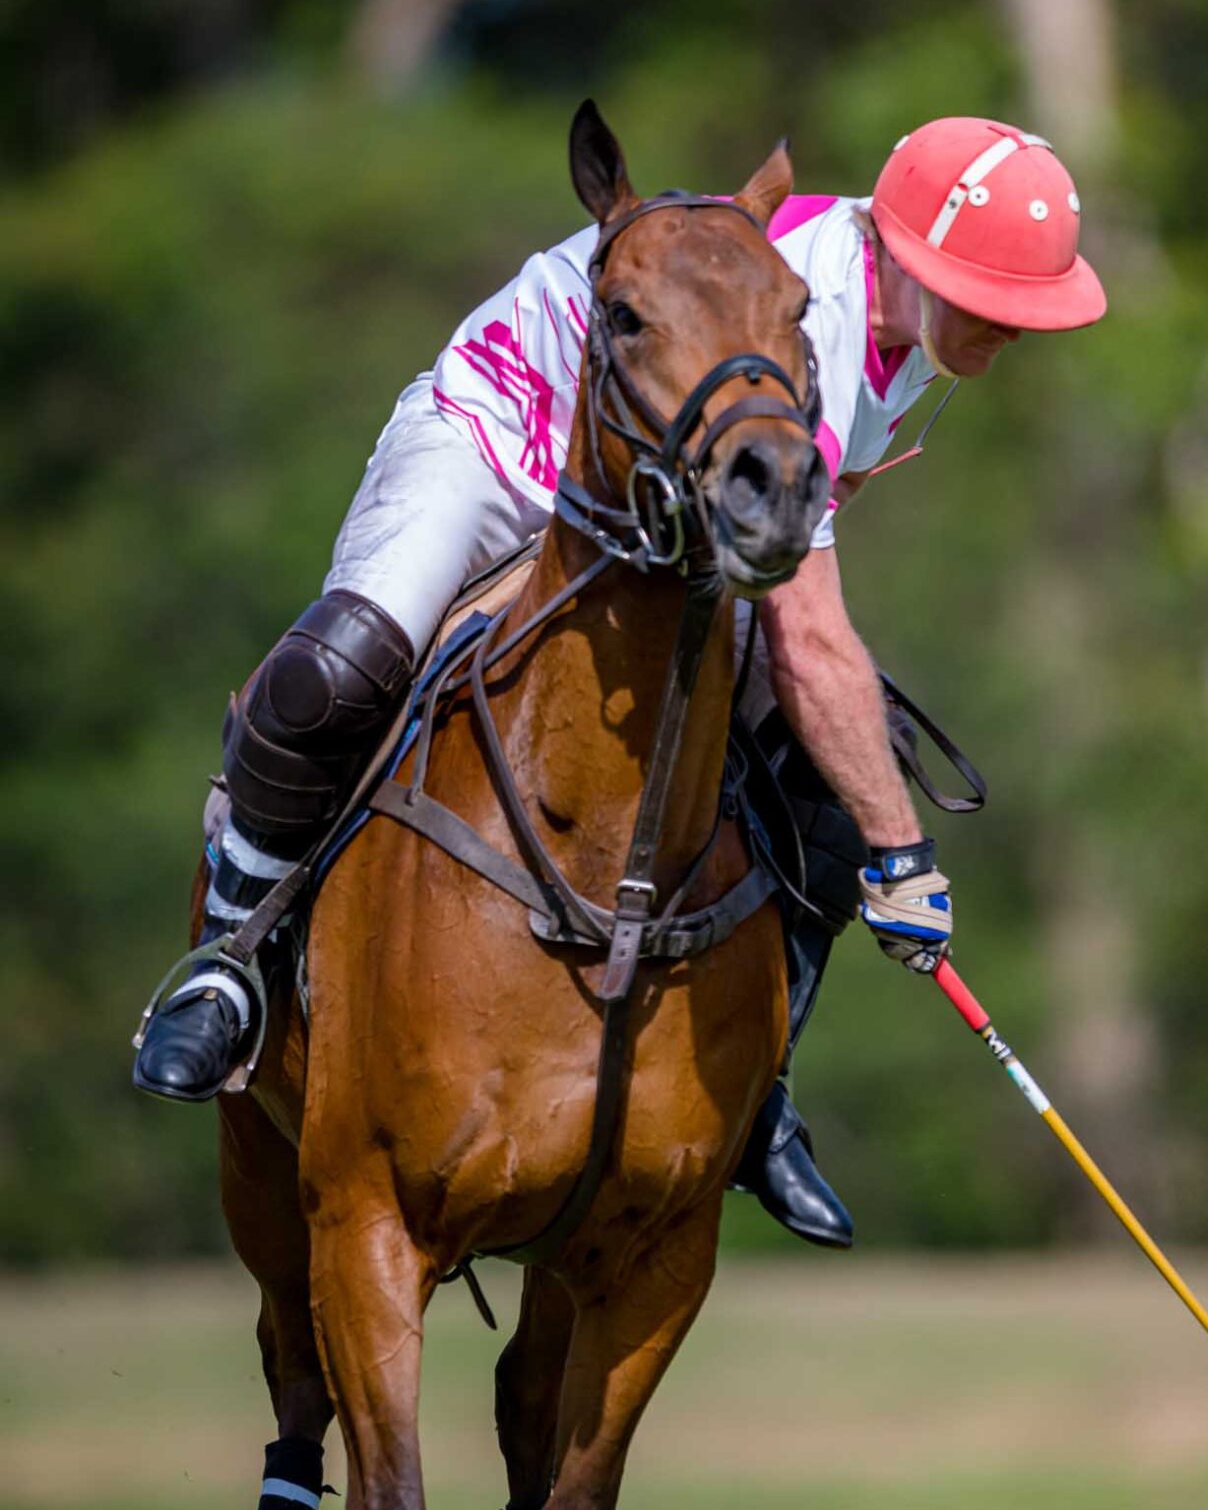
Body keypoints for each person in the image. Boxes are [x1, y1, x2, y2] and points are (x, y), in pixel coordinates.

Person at [132, 116, 1107, 1245]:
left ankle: (757, 1087)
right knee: (342, 664)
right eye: (988, 297)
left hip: (649, 499)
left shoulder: (901, 334)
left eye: (1023, 306)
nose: (1010, 325)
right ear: (904, 258)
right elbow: (805, 631)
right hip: (503, 432)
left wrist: (871, 825)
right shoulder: (816, 314)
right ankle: (229, 962)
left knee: (838, 775)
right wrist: (904, 857)